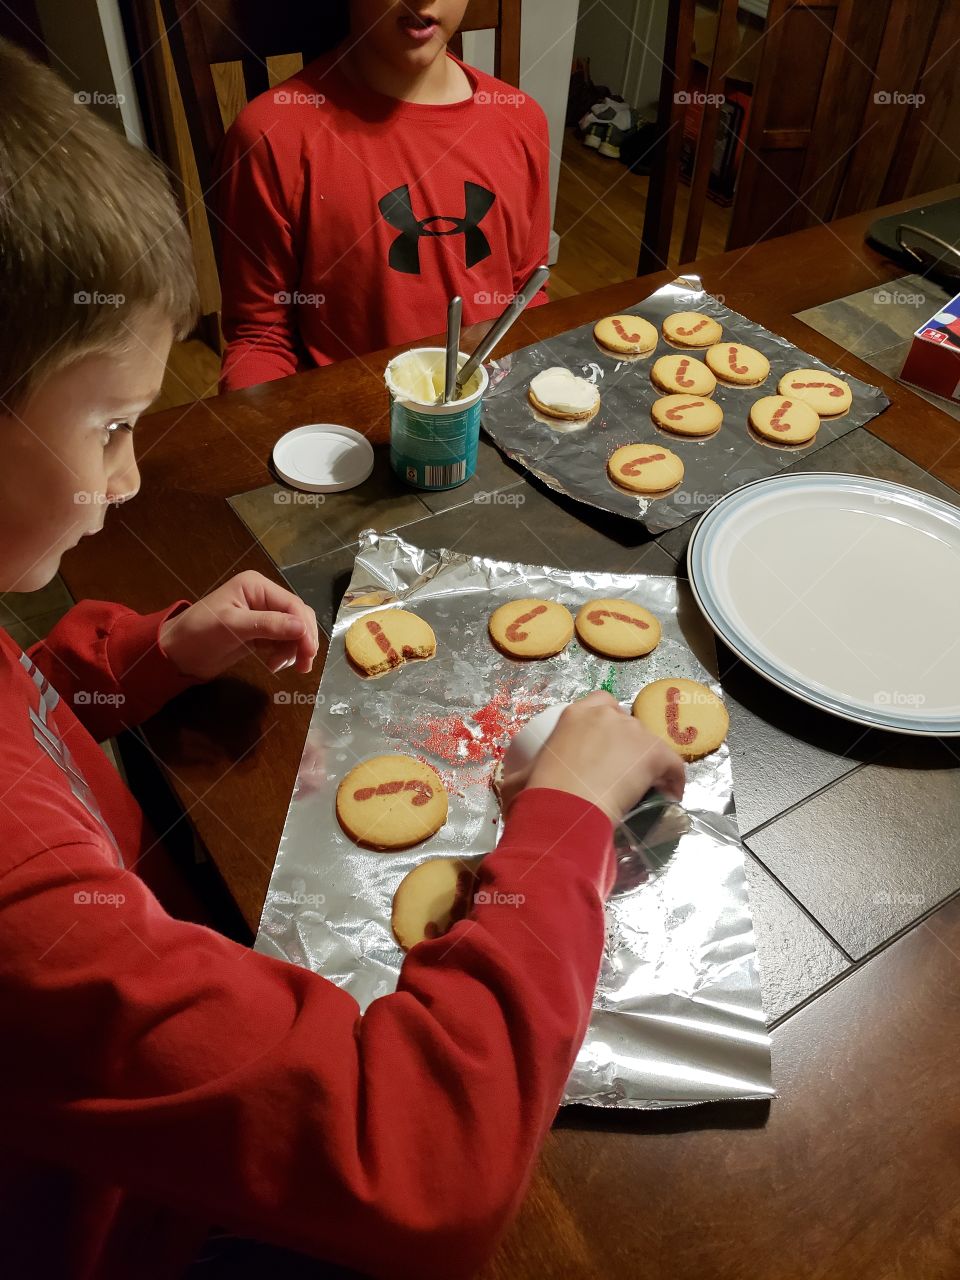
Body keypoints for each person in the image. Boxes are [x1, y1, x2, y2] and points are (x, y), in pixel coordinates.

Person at [0, 39, 685, 1280]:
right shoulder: (23, 907)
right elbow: (423, 1159)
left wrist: (147, 651)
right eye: (109, 427)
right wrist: (568, 815)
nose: (131, 477)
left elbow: (27, 701)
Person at [216, 0, 552, 391]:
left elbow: (528, 292)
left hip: (492, 401)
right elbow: (261, 338)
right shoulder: (273, 135)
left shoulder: (521, 120)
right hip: (349, 426)